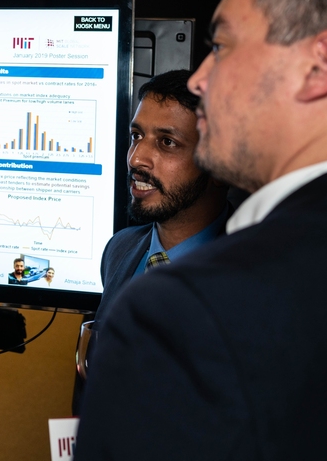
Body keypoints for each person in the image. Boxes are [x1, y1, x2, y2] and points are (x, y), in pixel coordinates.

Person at [72, 0, 327, 461]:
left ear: (320, 66)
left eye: (223, 45)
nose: (202, 78)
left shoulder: (189, 312)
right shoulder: (129, 258)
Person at [93, 69, 230, 332]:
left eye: (167, 142)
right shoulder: (119, 250)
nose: (135, 159)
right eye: (137, 136)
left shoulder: (256, 275)